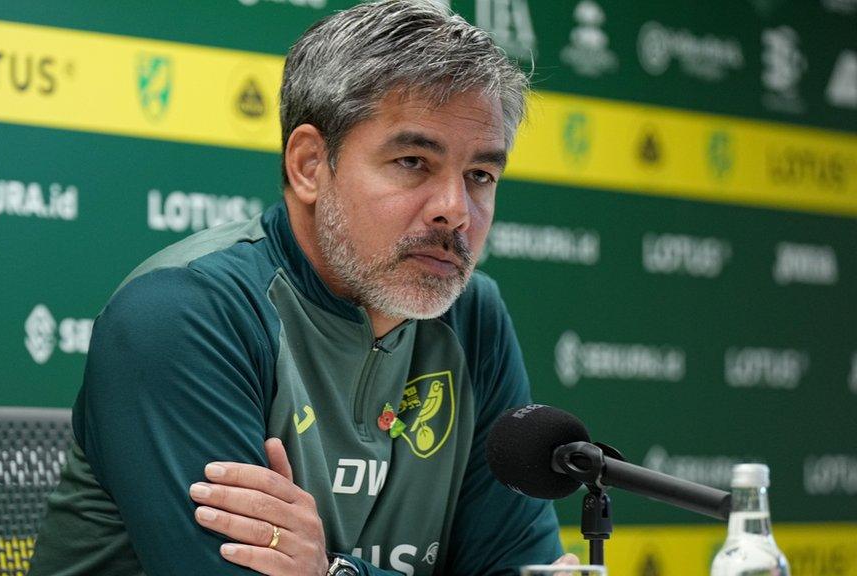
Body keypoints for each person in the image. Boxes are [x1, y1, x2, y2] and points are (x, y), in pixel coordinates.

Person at [29, 1, 574, 574]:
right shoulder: (182, 313)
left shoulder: (473, 316)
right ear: (311, 165)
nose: (454, 211)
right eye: (414, 161)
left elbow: (517, 564)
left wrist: (329, 570)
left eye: (481, 176)